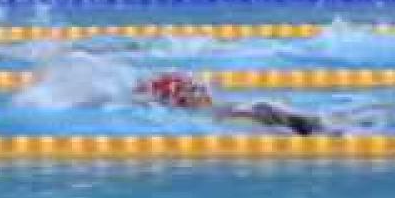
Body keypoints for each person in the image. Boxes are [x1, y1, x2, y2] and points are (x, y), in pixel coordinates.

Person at [134, 72, 339, 136]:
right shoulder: (206, 106)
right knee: (322, 126)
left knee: (316, 128)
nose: (199, 92)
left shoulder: (197, 113)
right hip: (253, 109)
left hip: (247, 113)